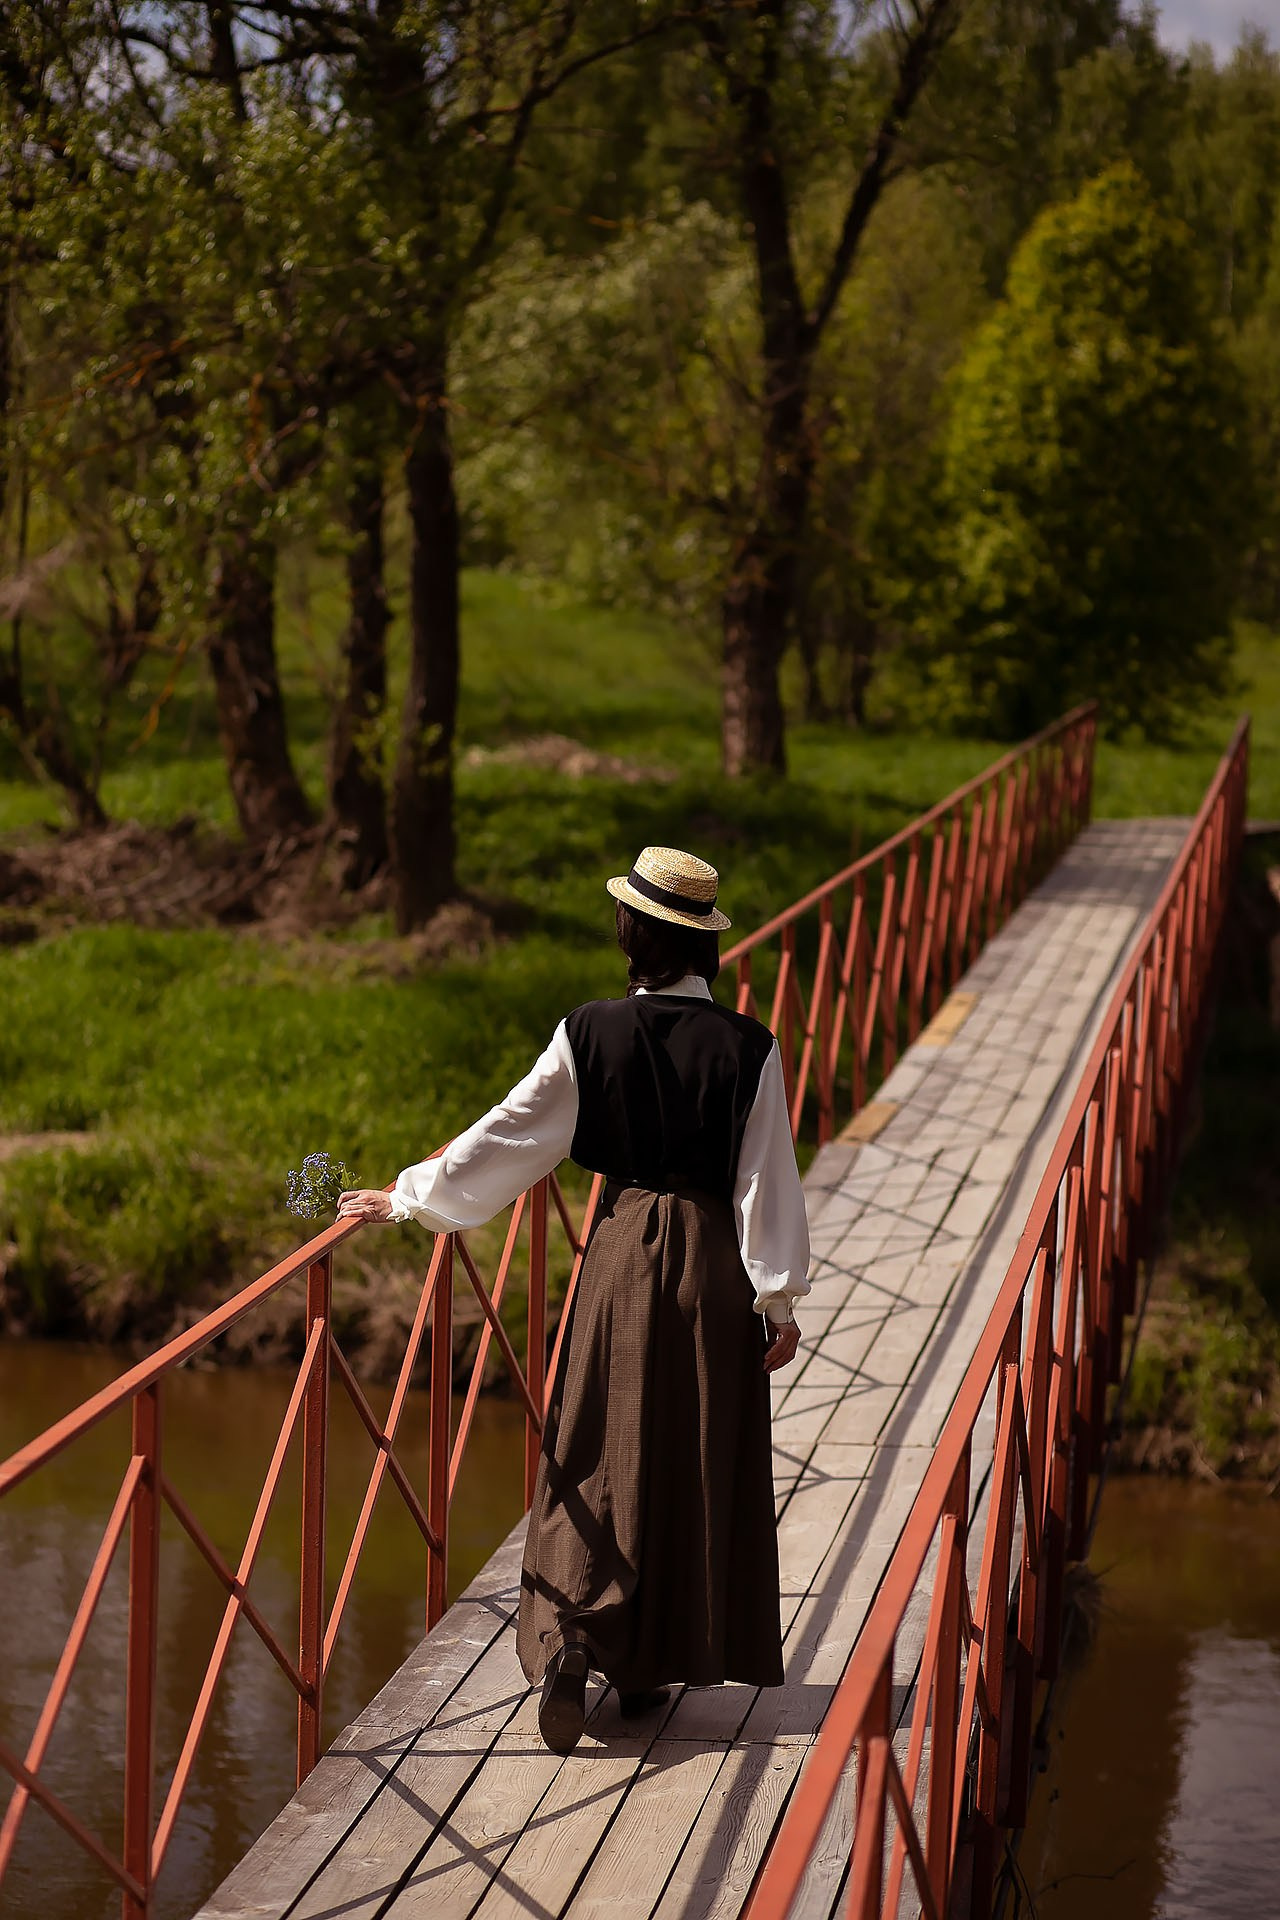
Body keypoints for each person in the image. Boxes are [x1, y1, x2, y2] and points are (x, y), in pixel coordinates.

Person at [337, 846, 810, 1753]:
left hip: (624, 1252)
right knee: (688, 1453)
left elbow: (510, 1136)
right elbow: (765, 1184)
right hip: (712, 1266)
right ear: (703, 946)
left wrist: (410, 1195)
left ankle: (576, 1639)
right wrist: (779, 1305)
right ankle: (652, 1661)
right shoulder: (750, 1046)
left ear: (631, 933)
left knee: (593, 1446)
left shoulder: (590, 1032)